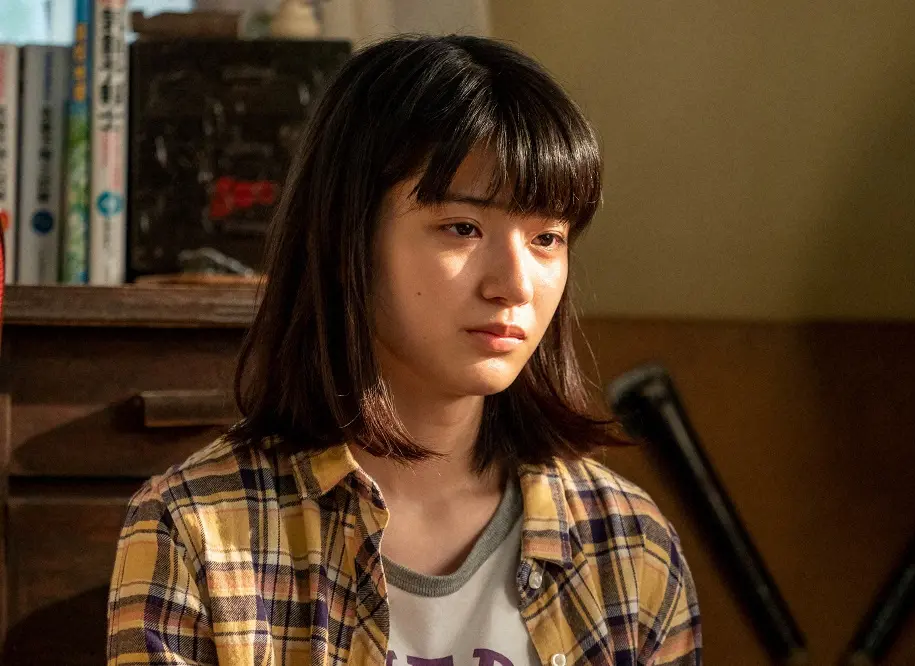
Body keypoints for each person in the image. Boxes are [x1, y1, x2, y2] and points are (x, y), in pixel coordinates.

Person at [106, 34, 702, 666]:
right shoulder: (194, 532)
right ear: (348, 237)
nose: (515, 284)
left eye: (546, 238)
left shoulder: (629, 547)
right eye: (463, 228)